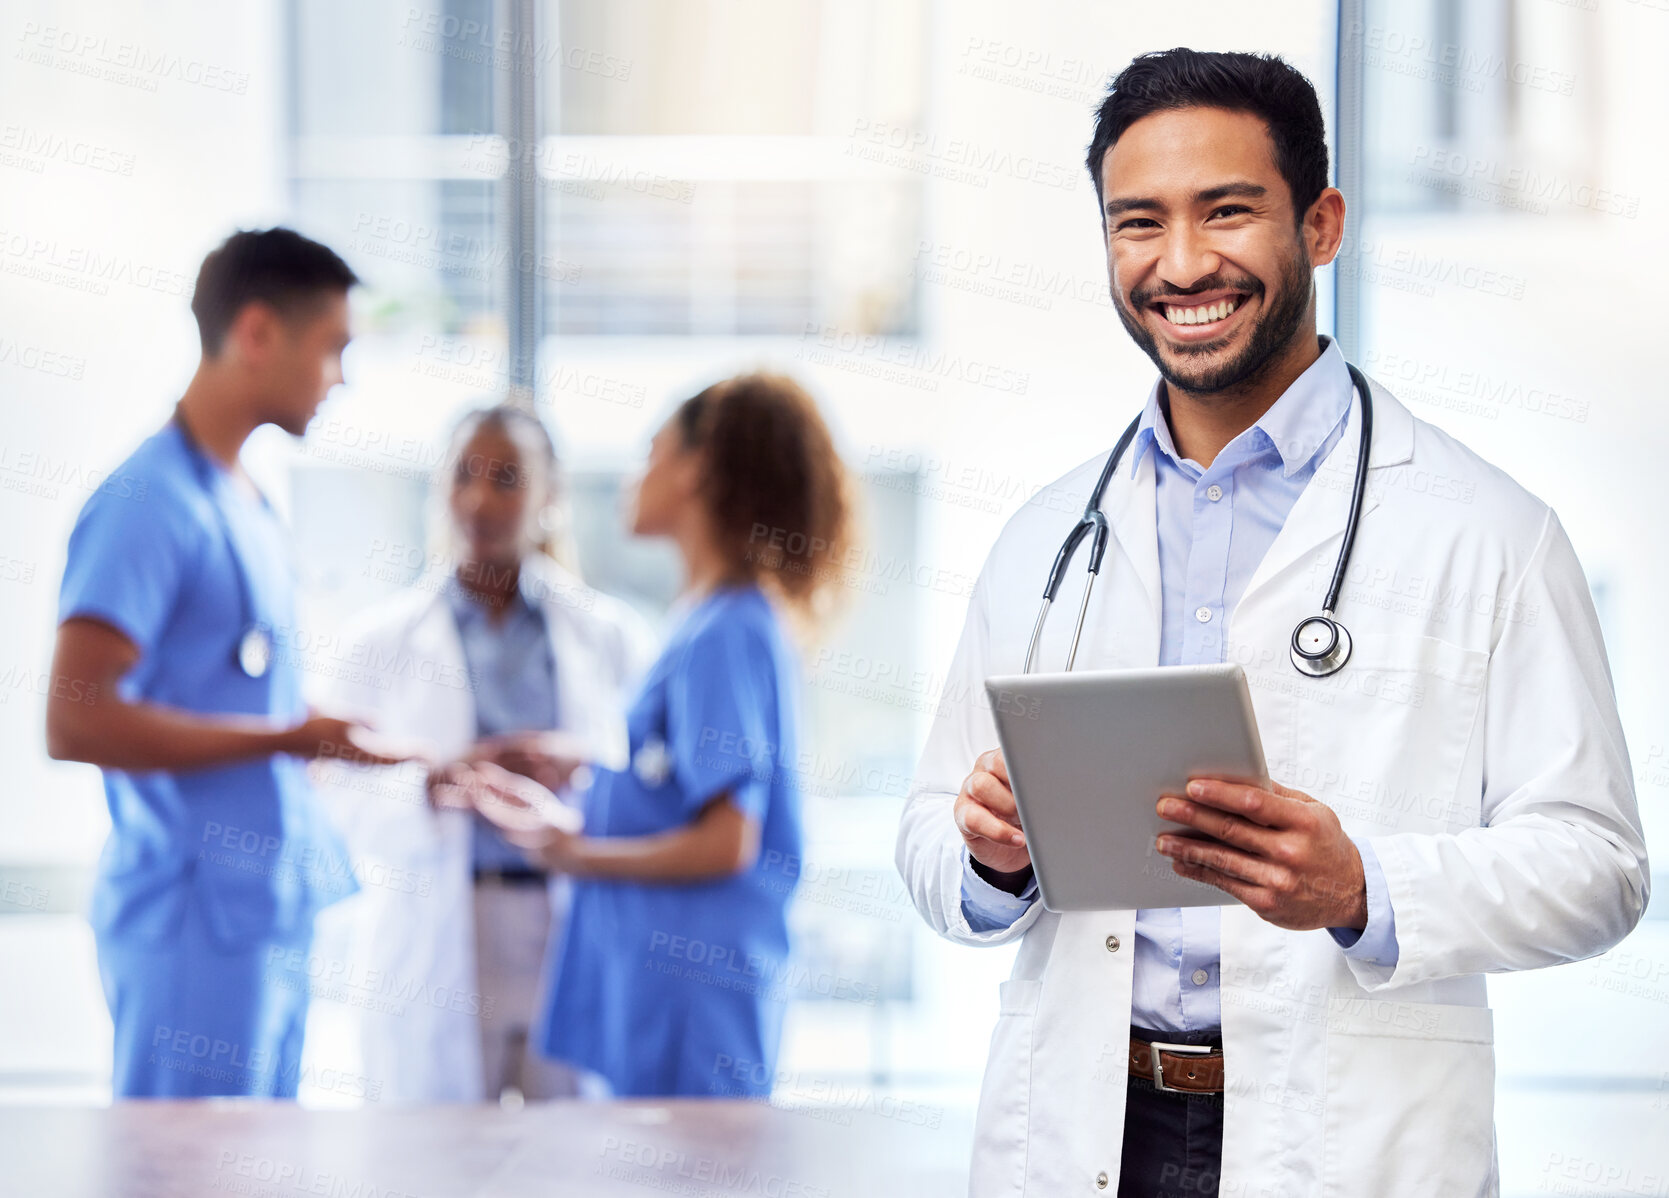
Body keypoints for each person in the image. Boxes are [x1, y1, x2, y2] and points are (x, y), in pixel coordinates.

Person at [894, 49, 1648, 1197]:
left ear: (1322, 223)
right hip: (1088, 1125)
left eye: (1227, 211)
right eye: (1137, 222)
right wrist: (988, 859)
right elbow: (925, 831)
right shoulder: (1047, 538)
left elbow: (1599, 867)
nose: (1181, 262)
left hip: (1340, 1138)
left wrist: (1364, 887)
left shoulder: (1491, 532)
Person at [45, 227, 412, 1098]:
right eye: (333, 349)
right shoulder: (148, 502)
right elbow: (75, 715)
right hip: (189, 929)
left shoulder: (245, 500)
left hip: (261, 920)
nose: (342, 378)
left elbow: (239, 699)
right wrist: (290, 737)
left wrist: (337, 743)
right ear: (256, 334)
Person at [470, 372, 856, 1098]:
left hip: (692, 1007)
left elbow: (727, 839)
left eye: (650, 452)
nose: (631, 475)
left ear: (697, 467)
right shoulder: (711, 620)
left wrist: (573, 852)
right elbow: (682, 778)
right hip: (677, 1001)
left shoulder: (726, 630)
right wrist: (589, 766)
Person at [308, 402, 653, 1103]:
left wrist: (578, 762)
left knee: (568, 1163)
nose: (480, 499)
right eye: (463, 475)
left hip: (562, 921)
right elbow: (329, 794)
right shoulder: (378, 641)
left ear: (549, 497)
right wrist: (427, 788)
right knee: (436, 1166)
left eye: (506, 478)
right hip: (437, 919)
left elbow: (651, 785)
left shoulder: (609, 635)